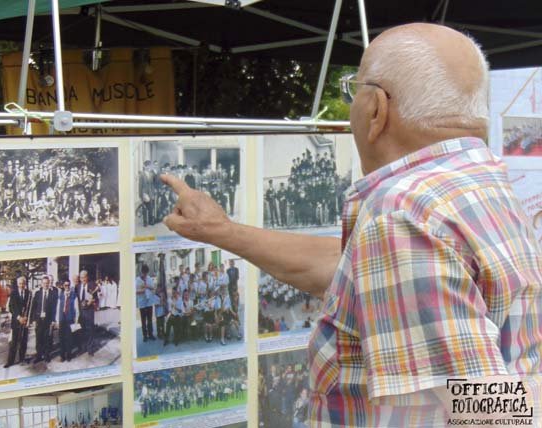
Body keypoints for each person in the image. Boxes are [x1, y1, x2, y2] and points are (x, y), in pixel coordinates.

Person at [160, 23, 542, 427]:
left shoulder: (402, 214)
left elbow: (487, 411)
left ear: (376, 108)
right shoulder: (474, 182)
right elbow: (353, 272)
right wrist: (221, 231)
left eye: (352, 90)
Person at [30, 275, 58, 362]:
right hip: (38, 320)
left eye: (47, 283)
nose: (45, 285)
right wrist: (33, 320)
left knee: (48, 338)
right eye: (44, 283)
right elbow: (33, 308)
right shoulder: (37, 294)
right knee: (39, 338)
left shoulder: (53, 294)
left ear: (49, 283)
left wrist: (53, 320)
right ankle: (39, 355)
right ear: (41, 284)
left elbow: (55, 308)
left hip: (48, 320)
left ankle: (47, 355)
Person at [4, 276, 31, 368]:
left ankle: (22, 358)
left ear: (25, 284)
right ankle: (10, 361)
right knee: (14, 342)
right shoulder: (13, 293)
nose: (22, 285)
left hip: (25, 321)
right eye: (20, 283)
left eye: (23, 283)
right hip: (16, 321)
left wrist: (26, 317)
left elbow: (31, 307)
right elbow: (11, 307)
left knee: (23, 341)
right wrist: (19, 317)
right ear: (17, 284)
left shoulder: (28, 293)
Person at [75, 271, 98, 356]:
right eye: (81, 277)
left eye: (84, 277)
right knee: (81, 330)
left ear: (87, 277)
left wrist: (91, 301)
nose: (83, 279)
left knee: (90, 330)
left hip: (89, 311)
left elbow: (96, 298)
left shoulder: (92, 285)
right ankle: (82, 348)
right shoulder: (77, 286)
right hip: (80, 312)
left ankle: (90, 349)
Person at [56, 280, 79, 362]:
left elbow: (77, 309)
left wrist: (76, 320)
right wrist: (57, 321)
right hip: (62, 319)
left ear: (70, 286)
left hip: (70, 319)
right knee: (61, 338)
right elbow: (58, 308)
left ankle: (69, 355)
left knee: (69, 338)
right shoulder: (61, 295)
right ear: (63, 286)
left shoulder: (74, 295)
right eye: (65, 285)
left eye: (68, 285)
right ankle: (62, 355)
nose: (67, 287)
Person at [136, 264, 156, 342]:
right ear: (142, 272)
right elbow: (135, 291)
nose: (145, 275)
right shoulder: (137, 280)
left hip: (149, 302)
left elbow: (153, 288)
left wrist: (147, 286)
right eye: (144, 273)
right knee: (143, 320)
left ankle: (151, 334)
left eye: (146, 273)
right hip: (142, 303)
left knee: (150, 319)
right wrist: (142, 291)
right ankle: (145, 336)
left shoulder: (149, 279)